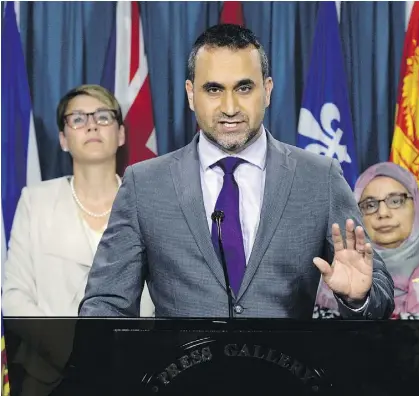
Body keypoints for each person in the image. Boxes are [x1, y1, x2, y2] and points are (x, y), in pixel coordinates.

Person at [79, 24, 394, 319]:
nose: (230, 107)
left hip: (286, 375)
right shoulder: (144, 185)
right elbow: (105, 305)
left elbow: (376, 288)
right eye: (213, 90)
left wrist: (359, 299)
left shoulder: (319, 178)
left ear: (267, 91)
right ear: (191, 94)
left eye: (244, 88)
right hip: (182, 377)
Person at [2, 85, 154, 395]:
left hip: (133, 375)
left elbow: (161, 298)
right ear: (63, 138)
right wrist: (73, 353)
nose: (92, 125)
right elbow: (15, 299)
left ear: (121, 134)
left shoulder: (150, 202)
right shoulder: (36, 201)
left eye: (103, 116)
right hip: (48, 377)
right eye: (78, 119)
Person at [313, 162, 419, 396]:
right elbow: (320, 367)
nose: (383, 213)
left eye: (395, 200)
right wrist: (353, 301)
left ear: (416, 205)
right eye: (369, 204)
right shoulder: (336, 278)